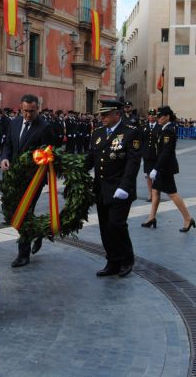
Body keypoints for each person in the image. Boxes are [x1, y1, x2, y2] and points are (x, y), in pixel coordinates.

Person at [84, 100, 141, 277]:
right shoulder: (98, 133)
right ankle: (112, 261)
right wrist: (70, 166)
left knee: (116, 224)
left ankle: (127, 259)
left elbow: (133, 163)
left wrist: (125, 187)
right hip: (101, 189)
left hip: (120, 189)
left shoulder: (131, 132)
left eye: (105, 114)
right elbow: (90, 158)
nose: (102, 118)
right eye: (101, 114)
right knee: (105, 227)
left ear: (117, 114)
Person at [0, 94, 55, 268]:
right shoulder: (14, 123)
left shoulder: (44, 127)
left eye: (32, 111)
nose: (28, 115)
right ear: (20, 108)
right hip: (14, 177)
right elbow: (8, 144)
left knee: (24, 213)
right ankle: (38, 232)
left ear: (37, 109)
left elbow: (48, 153)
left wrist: (36, 160)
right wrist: (4, 158)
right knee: (16, 212)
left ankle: (23, 255)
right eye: (25, 111)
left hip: (34, 179)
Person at [142, 106, 196, 232]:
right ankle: (152, 217)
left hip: (165, 167)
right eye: (157, 116)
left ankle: (188, 218)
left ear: (167, 117)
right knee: (155, 191)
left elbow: (165, 152)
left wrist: (156, 168)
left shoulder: (169, 130)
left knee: (172, 193)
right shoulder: (164, 128)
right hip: (162, 166)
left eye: (160, 116)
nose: (158, 118)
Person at [141, 109, 161, 202]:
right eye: (150, 115)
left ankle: (155, 193)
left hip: (156, 154)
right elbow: (142, 140)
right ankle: (150, 193)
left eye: (153, 115)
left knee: (156, 174)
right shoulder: (144, 127)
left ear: (156, 117)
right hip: (147, 154)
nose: (152, 117)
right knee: (148, 175)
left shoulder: (159, 127)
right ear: (148, 116)